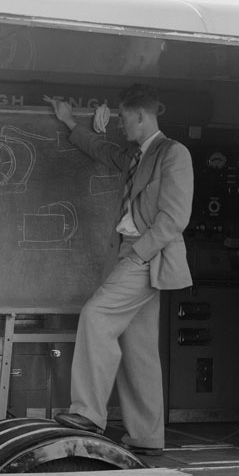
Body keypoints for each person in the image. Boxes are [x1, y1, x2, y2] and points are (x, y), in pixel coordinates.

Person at [48, 84, 193, 455]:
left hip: (146, 256)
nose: (119, 123)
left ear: (141, 115)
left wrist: (139, 255)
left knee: (95, 315)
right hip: (130, 254)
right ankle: (147, 437)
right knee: (138, 348)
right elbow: (100, 149)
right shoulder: (135, 154)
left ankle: (88, 413)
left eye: (124, 116)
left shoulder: (174, 154)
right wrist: (68, 122)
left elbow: (174, 219)